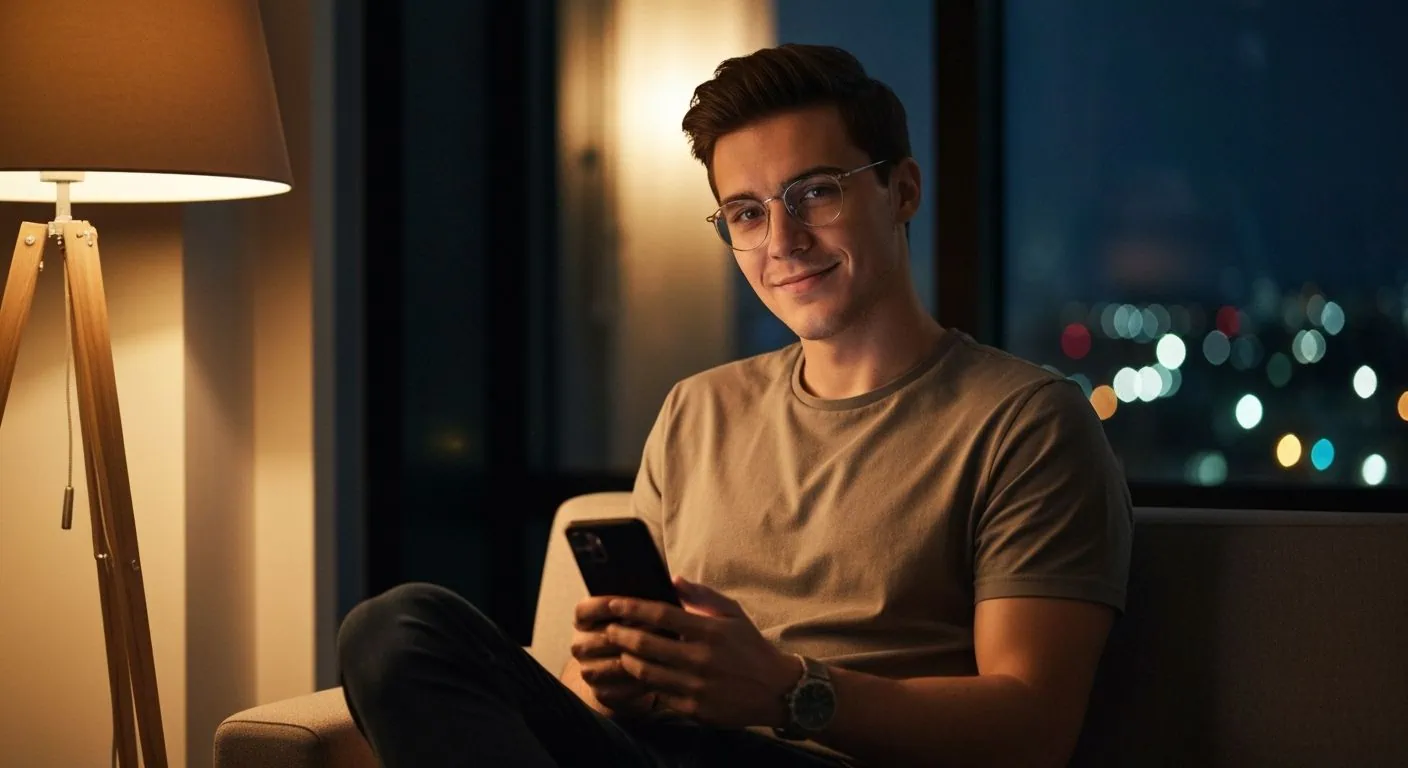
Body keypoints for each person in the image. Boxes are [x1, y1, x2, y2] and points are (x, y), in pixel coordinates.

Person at [336, 43, 1133, 767]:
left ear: (903, 190)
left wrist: (787, 691)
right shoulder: (698, 409)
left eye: (814, 192)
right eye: (747, 213)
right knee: (397, 631)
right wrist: (621, 685)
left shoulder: (1026, 422)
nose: (781, 240)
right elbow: (616, 695)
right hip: (662, 753)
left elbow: (1033, 729)